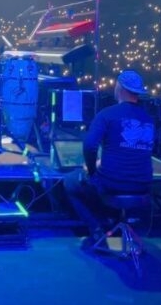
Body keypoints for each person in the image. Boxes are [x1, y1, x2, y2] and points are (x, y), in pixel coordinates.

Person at [63, 69, 155, 249]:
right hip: (144, 185)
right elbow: (137, 150)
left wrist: (91, 170)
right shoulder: (148, 119)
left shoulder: (107, 114)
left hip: (113, 184)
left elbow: (90, 146)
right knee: (99, 181)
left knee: (70, 182)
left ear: (119, 88)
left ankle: (97, 230)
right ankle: (113, 221)